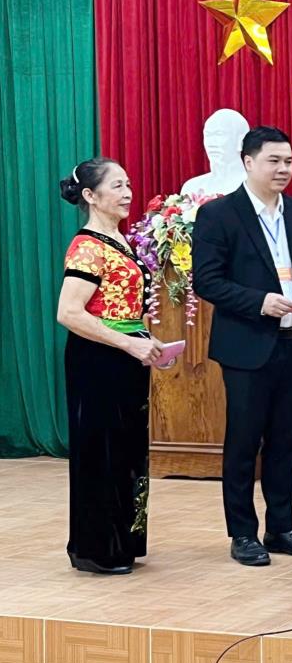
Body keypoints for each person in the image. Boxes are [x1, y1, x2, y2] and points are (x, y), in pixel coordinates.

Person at [192, 126, 292, 567]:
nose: (283, 169)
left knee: (287, 442)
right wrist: (259, 302)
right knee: (243, 443)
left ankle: (281, 528)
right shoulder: (219, 215)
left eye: (288, 161)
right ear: (248, 162)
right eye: (274, 160)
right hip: (247, 347)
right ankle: (242, 533)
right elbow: (207, 281)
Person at [57, 158, 165, 575]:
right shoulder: (87, 246)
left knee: (126, 449)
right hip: (97, 360)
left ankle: (123, 542)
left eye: (128, 184)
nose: (127, 193)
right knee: (100, 450)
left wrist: (146, 341)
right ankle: (97, 549)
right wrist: (128, 342)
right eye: (117, 186)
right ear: (90, 195)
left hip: (125, 356)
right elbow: (70, 312)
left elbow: (124, 309)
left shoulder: (120, 240)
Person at [181, 109, 250, 198]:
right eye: (208, 135)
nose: (211, 143)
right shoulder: (192, 187)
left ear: (241, 140)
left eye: (219, 134)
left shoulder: (255, 186)